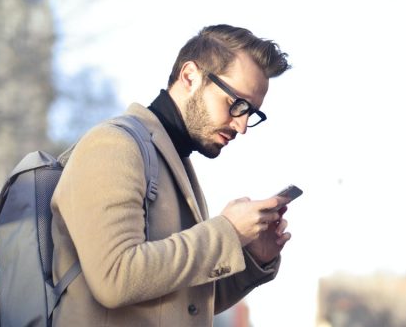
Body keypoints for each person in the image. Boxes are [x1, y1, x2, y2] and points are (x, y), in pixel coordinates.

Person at [50, 24, 293, 326]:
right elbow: (114, 277)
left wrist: (255, 258)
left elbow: (183, 300)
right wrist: (227, 232)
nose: (242, 125)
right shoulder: (113, 144)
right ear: (190, 76)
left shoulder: (174, 162)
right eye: (236, 104)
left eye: (251, 113)